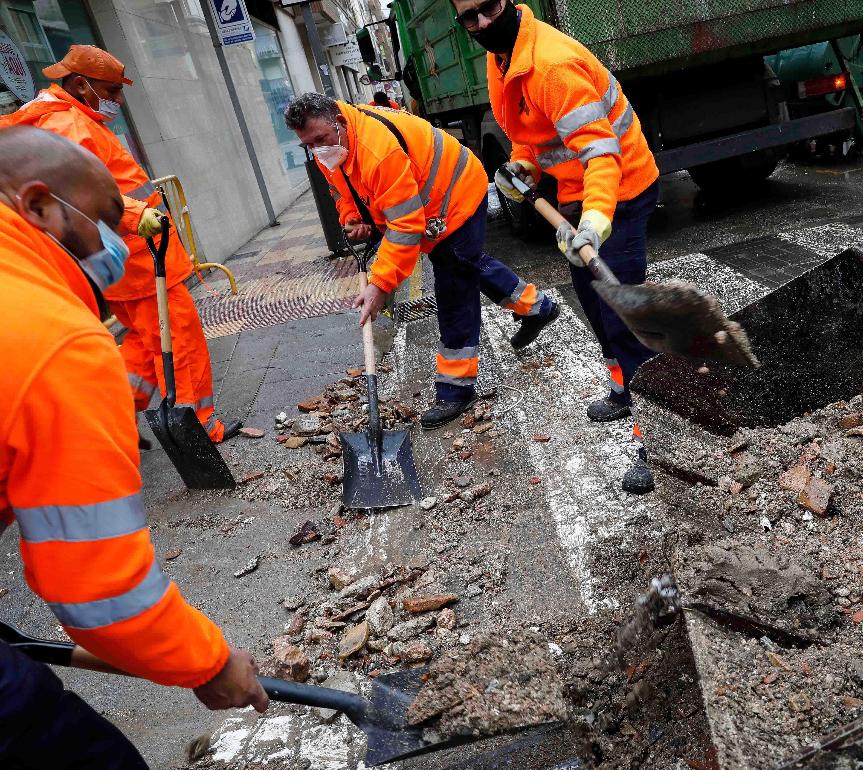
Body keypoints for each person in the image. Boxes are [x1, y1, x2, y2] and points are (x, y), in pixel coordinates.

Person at [0, 126, 268, 769]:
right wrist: (208, 661)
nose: (116, 245)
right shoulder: (50, 335)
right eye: (102, 221)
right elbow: (99, 593)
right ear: (38, 205)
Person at [456, 0, 660, 493]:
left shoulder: (552, 65)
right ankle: (622, 387)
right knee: (593, 301)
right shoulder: (501, 58)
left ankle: (657, 438)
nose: (482, 22)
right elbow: (530, 135)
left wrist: (594, 221)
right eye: (470, 17)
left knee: (624, 315)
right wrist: (525, 167)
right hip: (574, 191)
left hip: (620, 189)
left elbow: (601, 153)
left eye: (489, 8)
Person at [0, 45, 241, 445]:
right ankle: (198, 426)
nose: (117, 100)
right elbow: (73, 195)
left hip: (130, 259)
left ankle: (117, 415)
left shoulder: (68, 119)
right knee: (178, 337)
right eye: (110, 91)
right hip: (140, 258)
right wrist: (134, 216)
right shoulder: (68, 125)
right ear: (80, 84)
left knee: (143, 345)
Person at [284, 92, 561, 429]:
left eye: (321, 140)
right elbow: (344, 190)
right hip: (428, 206)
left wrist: (380, 285)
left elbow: (404, 226)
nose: (318, 150)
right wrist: (352, 219)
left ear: (339, 123)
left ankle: (455, 388)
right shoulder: (337, 146)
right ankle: (537, 306)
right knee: (466, 262)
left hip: (456, 194)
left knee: (454, 288)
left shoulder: (376, 150)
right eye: (308, 145)